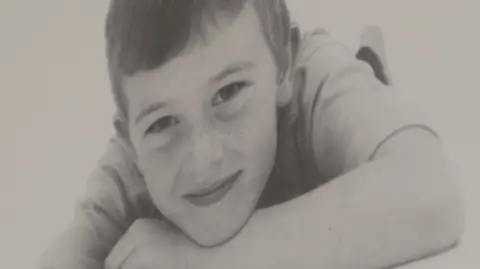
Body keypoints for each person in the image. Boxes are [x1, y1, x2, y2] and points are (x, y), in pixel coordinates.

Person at [40, 1, 463, 269]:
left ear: (281, 67)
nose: (203, 156)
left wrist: (199, 263)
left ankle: (371, 60)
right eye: (163, 123)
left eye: (228, 93)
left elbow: (432, 194)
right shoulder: (131, 164)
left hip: (335, 105)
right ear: (129, 139)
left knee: (368, 79)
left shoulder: (307, 75)